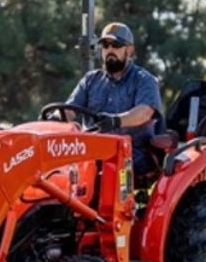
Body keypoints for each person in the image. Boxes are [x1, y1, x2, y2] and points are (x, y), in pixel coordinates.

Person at [66, 22, 163, 174]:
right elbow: (69, 111)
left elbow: (144, 113)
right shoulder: (90, 80)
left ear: (129, 50)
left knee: (104, 170)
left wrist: (115, 121)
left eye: (116, 45)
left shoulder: (144, 80)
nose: (110, 50)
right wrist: (54, 118)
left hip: (132, 153)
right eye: (105, 45)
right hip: (90, 152)